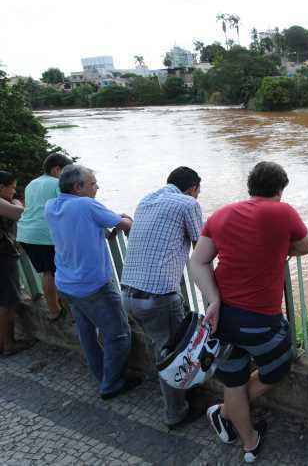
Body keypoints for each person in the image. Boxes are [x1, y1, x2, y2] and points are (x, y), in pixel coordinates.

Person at [190, 161, 308, 463]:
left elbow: (198, 261)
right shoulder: (282, 212)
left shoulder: (221, 214)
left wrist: (213, 298)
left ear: (250, 187)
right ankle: (224, 412)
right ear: (280, 190)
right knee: (279, 364)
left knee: (234, 379)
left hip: (222, 318)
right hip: (260, 320)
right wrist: (281, 250)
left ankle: (249, 442)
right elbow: (306, 246)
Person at [45, 164, 140, 400]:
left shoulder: (52, 206)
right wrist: (126, 216)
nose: (97, 188)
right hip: (93, 285)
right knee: (118, 333)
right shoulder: (86, 204)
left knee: (87, 333)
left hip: (66, 282)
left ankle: (101, 375)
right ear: (78, 187)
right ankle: (111, 384)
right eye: (93, 184)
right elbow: (126, 225)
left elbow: (79, 230)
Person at [121, 166, 204, 429]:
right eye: (198, 192)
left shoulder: (146, 200)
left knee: (161, 346)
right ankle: (175, 413)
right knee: (172, 354)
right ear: (192, 188)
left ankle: (181, 394)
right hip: (157, 297)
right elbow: (202, 246)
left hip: (128, 293)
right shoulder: (187, 203)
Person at [17, 153, 74, 321]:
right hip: (45, 235)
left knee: (47, 272)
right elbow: (67, 207)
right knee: (59, 272)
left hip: (26, 234)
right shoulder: (57, 183)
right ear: (57, 169)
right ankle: (60, 310)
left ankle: (54, 308)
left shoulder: (31, 184)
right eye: (67, 172)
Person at [0, 171, 35, 356]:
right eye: (12, 187)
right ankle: (8, 344)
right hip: (3, 257)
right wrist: (17, 202)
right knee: (8, 301)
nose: (13, 192)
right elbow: (20, 214)